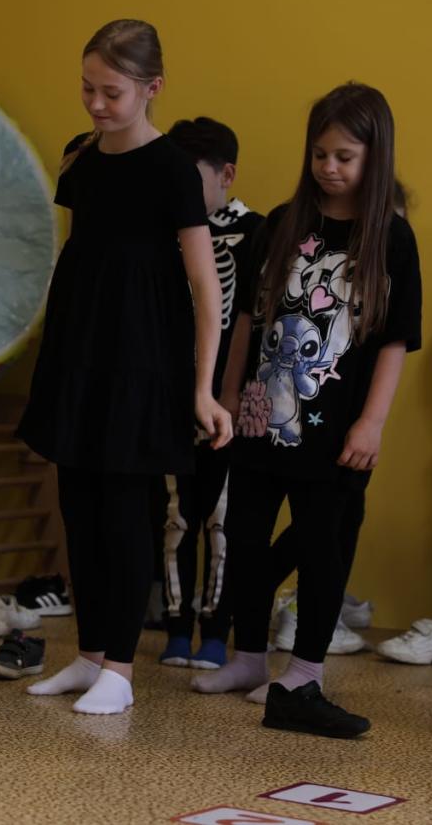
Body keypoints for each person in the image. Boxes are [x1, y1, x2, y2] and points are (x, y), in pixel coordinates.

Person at [192, 83, 422, 740]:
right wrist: (228, 395)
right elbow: (247, 319)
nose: (329, 167)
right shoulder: (281, 224)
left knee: (324, 548)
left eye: (345, 157)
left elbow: (396, 340)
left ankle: (303, 673)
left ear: (374, 157)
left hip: (335, 431)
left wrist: (372, 421)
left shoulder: (391, 239)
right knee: (244, 538)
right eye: (320, 154)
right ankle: (247, 658)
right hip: (259, 415)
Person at [15, 19, 231, 716]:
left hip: (142, 355)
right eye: (88, 88)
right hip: (81, 346)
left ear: (152, 88)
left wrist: (202, 387)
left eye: (112, 92)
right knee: (77, 501)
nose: (96, 103)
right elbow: (82, 256)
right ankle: (88, 654)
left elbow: (205, 286)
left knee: (125, 511)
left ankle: (120, 667)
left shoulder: (172, 169)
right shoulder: (81, 159)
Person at [156, 116, 265, 670]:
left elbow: (253, 319)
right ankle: (176, 626)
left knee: (223, 520)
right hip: (175, 402)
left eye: (190, 178)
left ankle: (216, 628)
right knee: (178, 517)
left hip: (230, 404)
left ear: (227, 175)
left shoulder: (259, 233)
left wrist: (235, 394)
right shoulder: (165, 232)